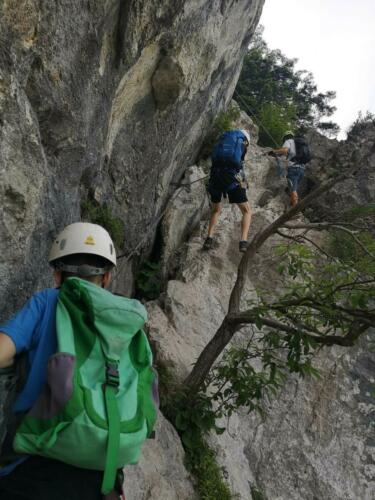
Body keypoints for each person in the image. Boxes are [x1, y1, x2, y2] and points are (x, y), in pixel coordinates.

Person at [0, 222, 125, 500]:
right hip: (100, 475)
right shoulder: (125, 323)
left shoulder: (46, 302)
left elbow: (2, 352)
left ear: (57, 276)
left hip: (35, 464)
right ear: (106, 278)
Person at [203, 129, 252, 253]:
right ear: (246, 141)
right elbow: (239, 165)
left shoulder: (225, 141)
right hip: (229, 178)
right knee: (247, 211)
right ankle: (243, 242)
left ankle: (209, 238)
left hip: (214, 177)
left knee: (216, 210)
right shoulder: (242, 145)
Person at [269, 131, 305, 207]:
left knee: (293, 190)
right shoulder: (298, 144)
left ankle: (295, 210)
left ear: (285, 137)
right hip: (301, 169)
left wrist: (273, 151)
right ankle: (292, 207)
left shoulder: (288, 141)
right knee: (293, 189)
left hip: (294, 169)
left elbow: (284, 150)